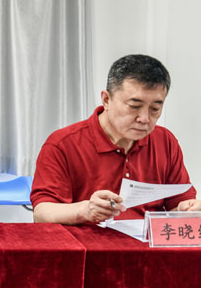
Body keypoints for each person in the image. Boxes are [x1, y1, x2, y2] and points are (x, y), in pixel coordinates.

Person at [31, 54, 200, 224]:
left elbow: (178, 202)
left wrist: (185, 209)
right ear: (106, 100)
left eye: (155, 109)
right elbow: (42, 213)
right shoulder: (63, 144)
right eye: (134, 106)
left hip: (147, 240)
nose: (144, 118)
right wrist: (85, 210)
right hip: (88, 240)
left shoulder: (164, 141)